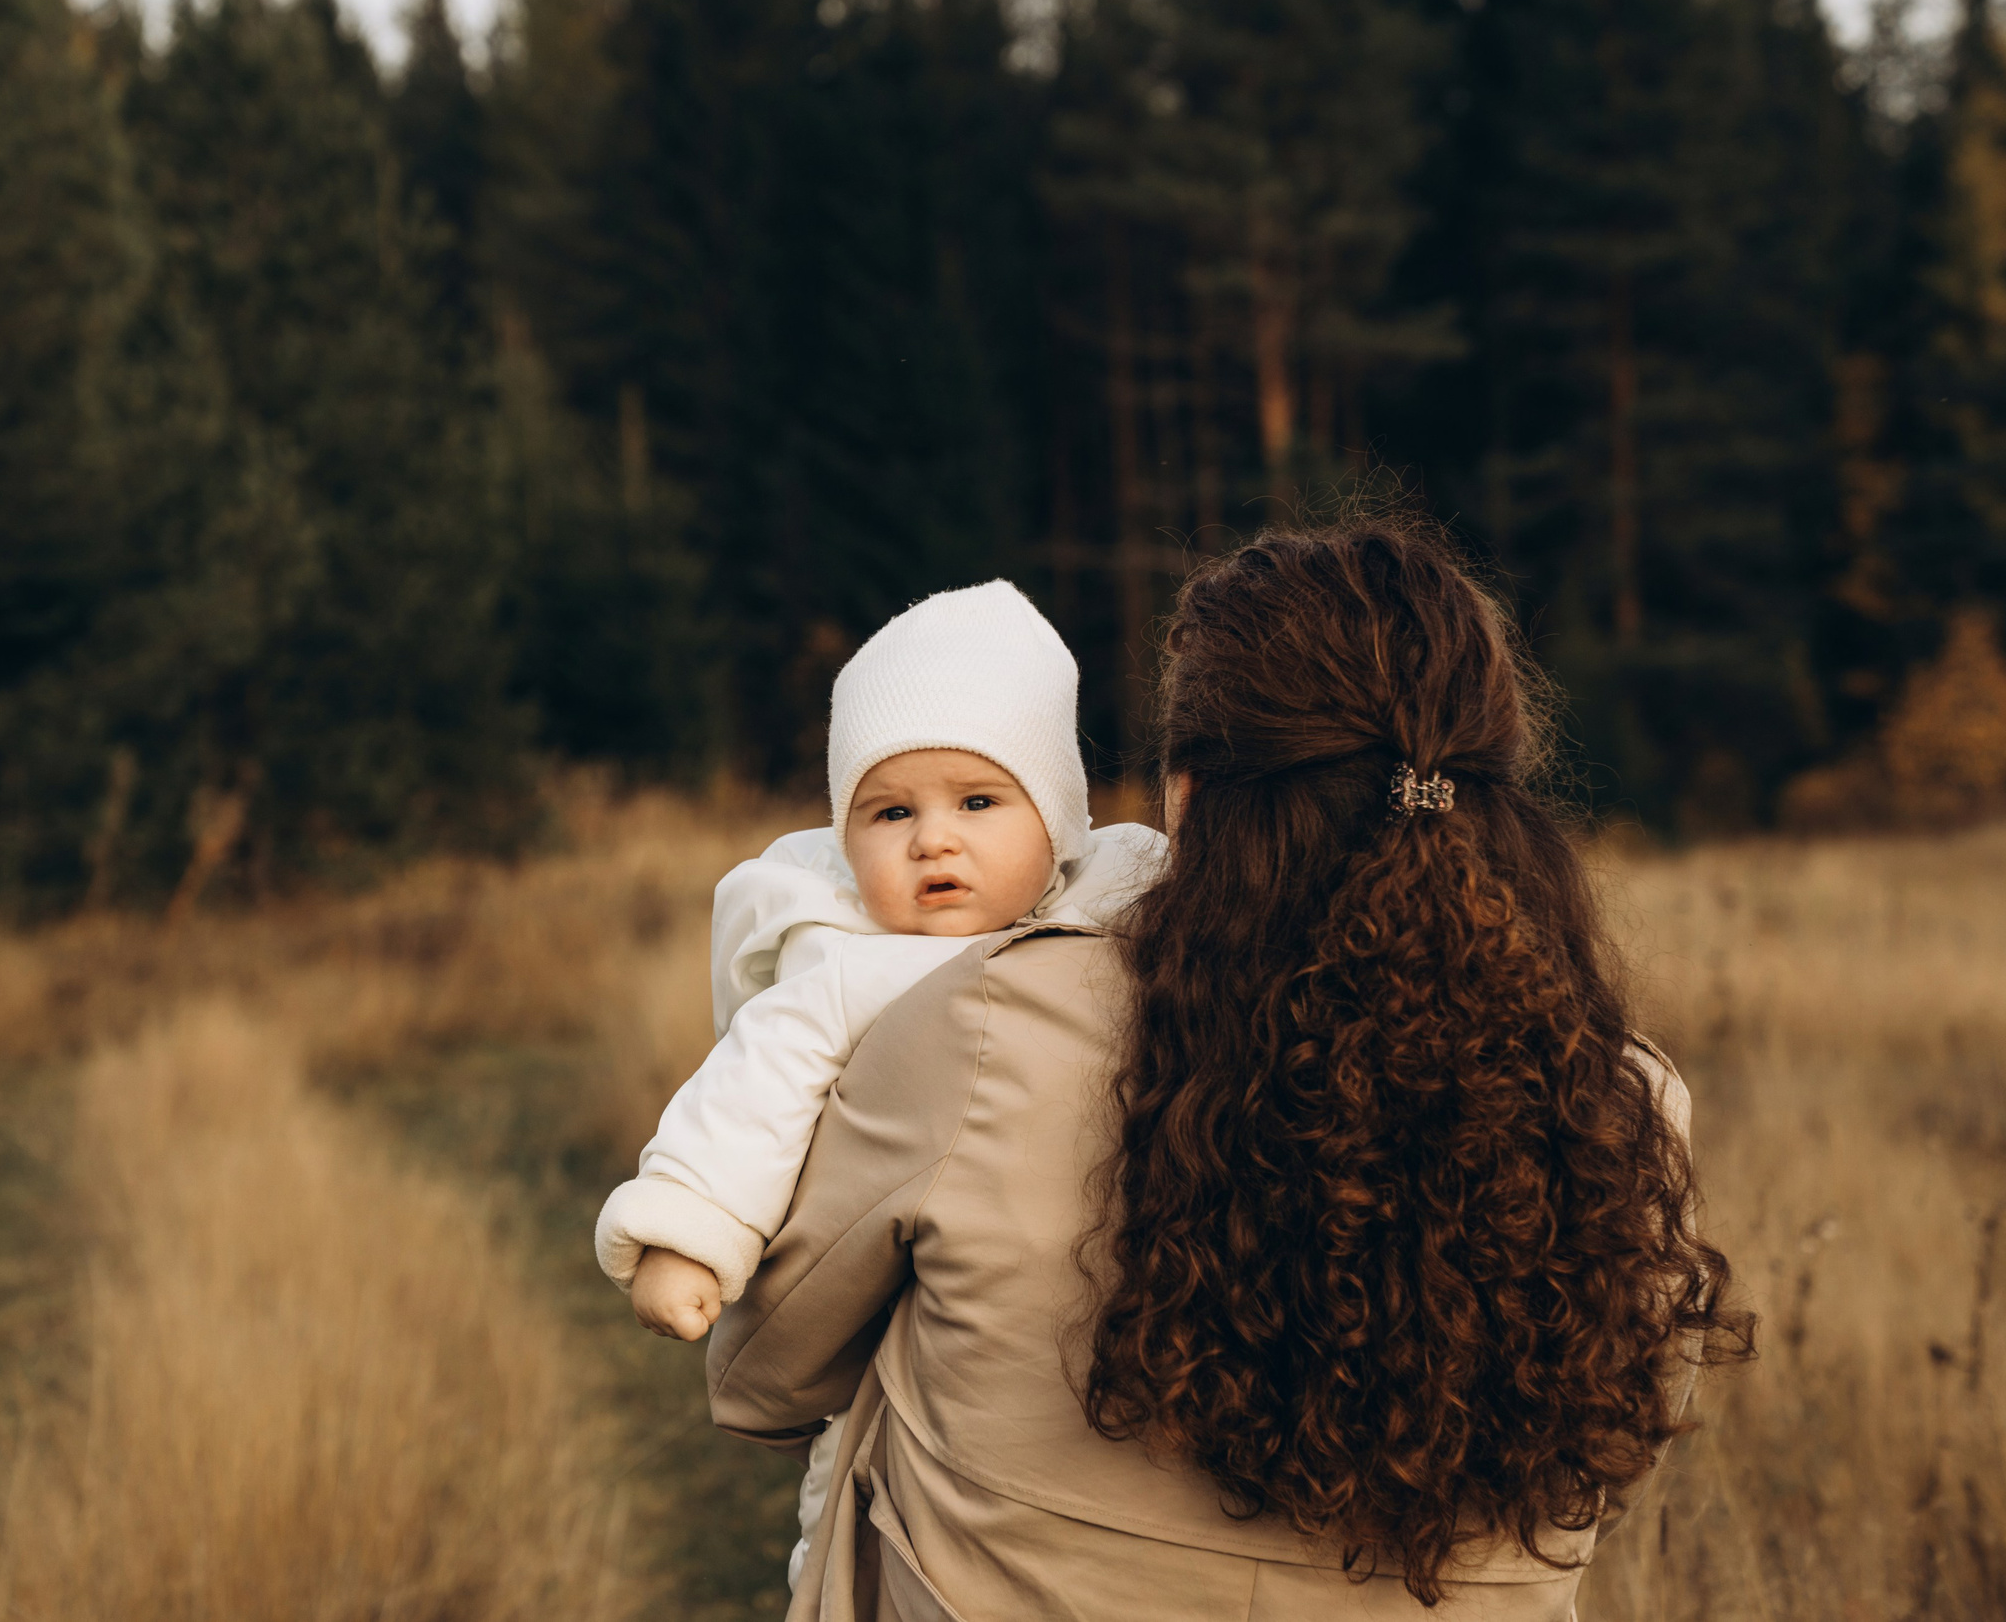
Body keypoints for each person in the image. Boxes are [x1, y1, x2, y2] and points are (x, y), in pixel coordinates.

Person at [707, 522, 1753, 1620]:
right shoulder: (1621, 1103)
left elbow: (762, 1382)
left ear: (1192, 793)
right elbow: (1606, 1468)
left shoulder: (980, 1024)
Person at [594, 579, 1164, 1585]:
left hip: (1051, 1295)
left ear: (1059, 822)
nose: (932, 839)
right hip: (873, 1292)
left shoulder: (1125, 913)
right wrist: (686, 1229)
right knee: (851, 1478)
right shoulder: (845, 967)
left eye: (978, 802)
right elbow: (753, 1087)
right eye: (890, 811)